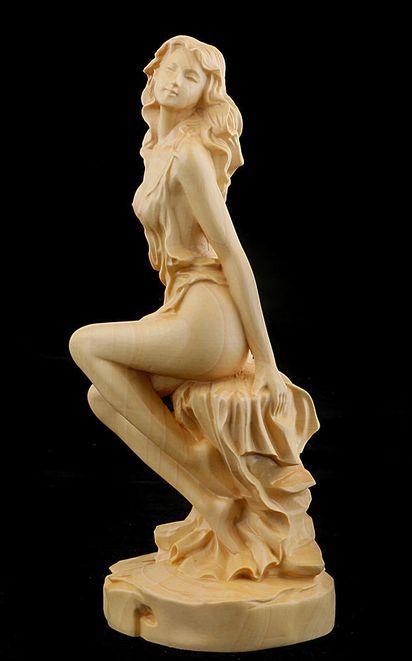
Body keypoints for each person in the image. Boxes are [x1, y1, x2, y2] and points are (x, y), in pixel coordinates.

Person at [69, 36, 290, 550]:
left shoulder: (189, 154)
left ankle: (196, 457)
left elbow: (232, 255)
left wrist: (266, 361)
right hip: (185, 306)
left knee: (84, 343)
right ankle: (211, 503)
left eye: (190, 77)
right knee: (103, 397)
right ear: (153, 74)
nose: (174, 81)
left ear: (204, 94)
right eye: (170, 69)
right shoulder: (156, 148)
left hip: (211, 320)